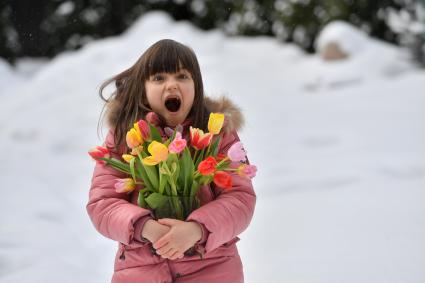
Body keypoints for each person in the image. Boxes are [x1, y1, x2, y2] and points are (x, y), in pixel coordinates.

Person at [87, 39, 256, 283]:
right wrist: (145, 228)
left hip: (211, 269)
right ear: (143, 87)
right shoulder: (125, 135)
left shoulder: (217, 133)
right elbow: (102, 203)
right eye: (159, 78)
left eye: (182, 76)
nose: (172, 85)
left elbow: (240, 199)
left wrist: (197, 230)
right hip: (140, 272)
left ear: (196, 86)